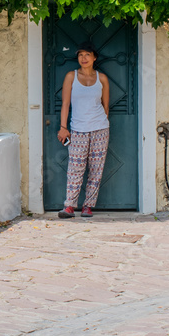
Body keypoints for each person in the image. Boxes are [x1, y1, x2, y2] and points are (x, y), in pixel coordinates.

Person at [56, 42, 109, 218]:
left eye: (87, 55)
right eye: (80, 55)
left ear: (94, 57)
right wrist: (64, 127)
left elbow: (105, 107)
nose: (83, 58)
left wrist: (101, 122)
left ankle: (88, 206)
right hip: (78, 129)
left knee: (96, 169)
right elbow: (65, 104)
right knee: (75, 168)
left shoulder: (102, 78)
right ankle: (69, 206)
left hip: (100, 129)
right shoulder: (71, 76)